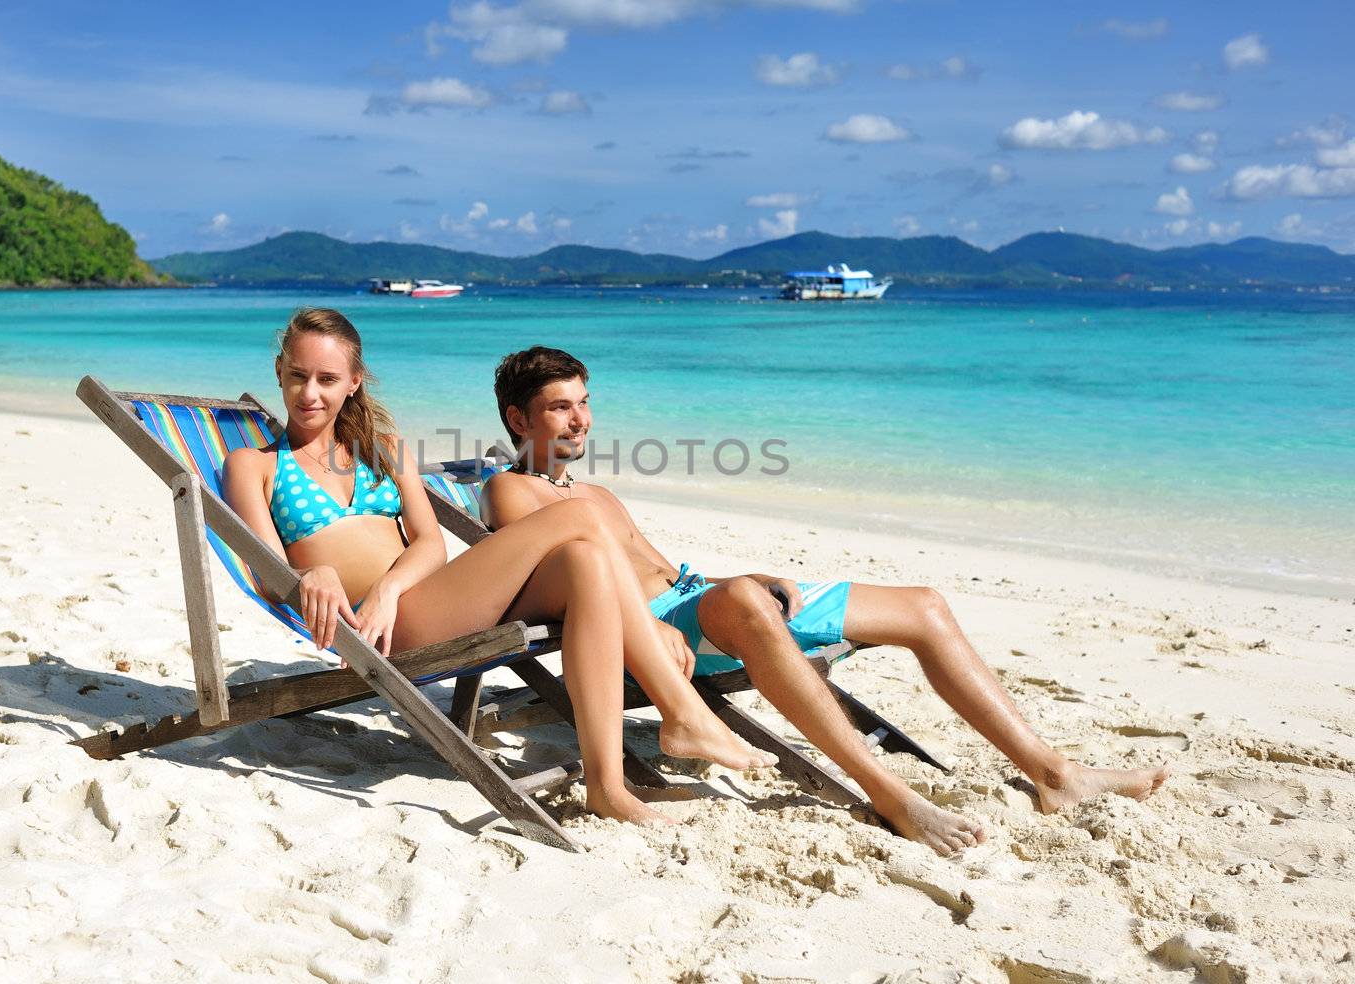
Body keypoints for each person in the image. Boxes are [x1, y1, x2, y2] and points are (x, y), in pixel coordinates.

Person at [482, 345, 1169, 855]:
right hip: (649, 641)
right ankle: (891, 795)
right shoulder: (513, 491)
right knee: (748, 607)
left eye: (584, 401)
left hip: (696, 604)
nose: (581, 419)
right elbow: (570, 586)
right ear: (518, 417)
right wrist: (658, 627)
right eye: (559, 407)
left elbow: (663, 572)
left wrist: (743, 573)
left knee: (924, 606)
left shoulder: (596, 494)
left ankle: (1056, 774)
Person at [221, 308, 776, 826]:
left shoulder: (383, 450)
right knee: (579, 513)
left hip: (423, 598)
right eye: (298, 376)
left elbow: (429, 545)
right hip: (384, 633)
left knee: (583, 558)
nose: (310, 392)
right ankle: (683, 712)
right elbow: (265, 564)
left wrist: (390, 587)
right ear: (279, 371)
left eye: (327, 378)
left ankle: (608, 787)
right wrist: (311, 576)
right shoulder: (254, 465)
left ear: (354, 381)